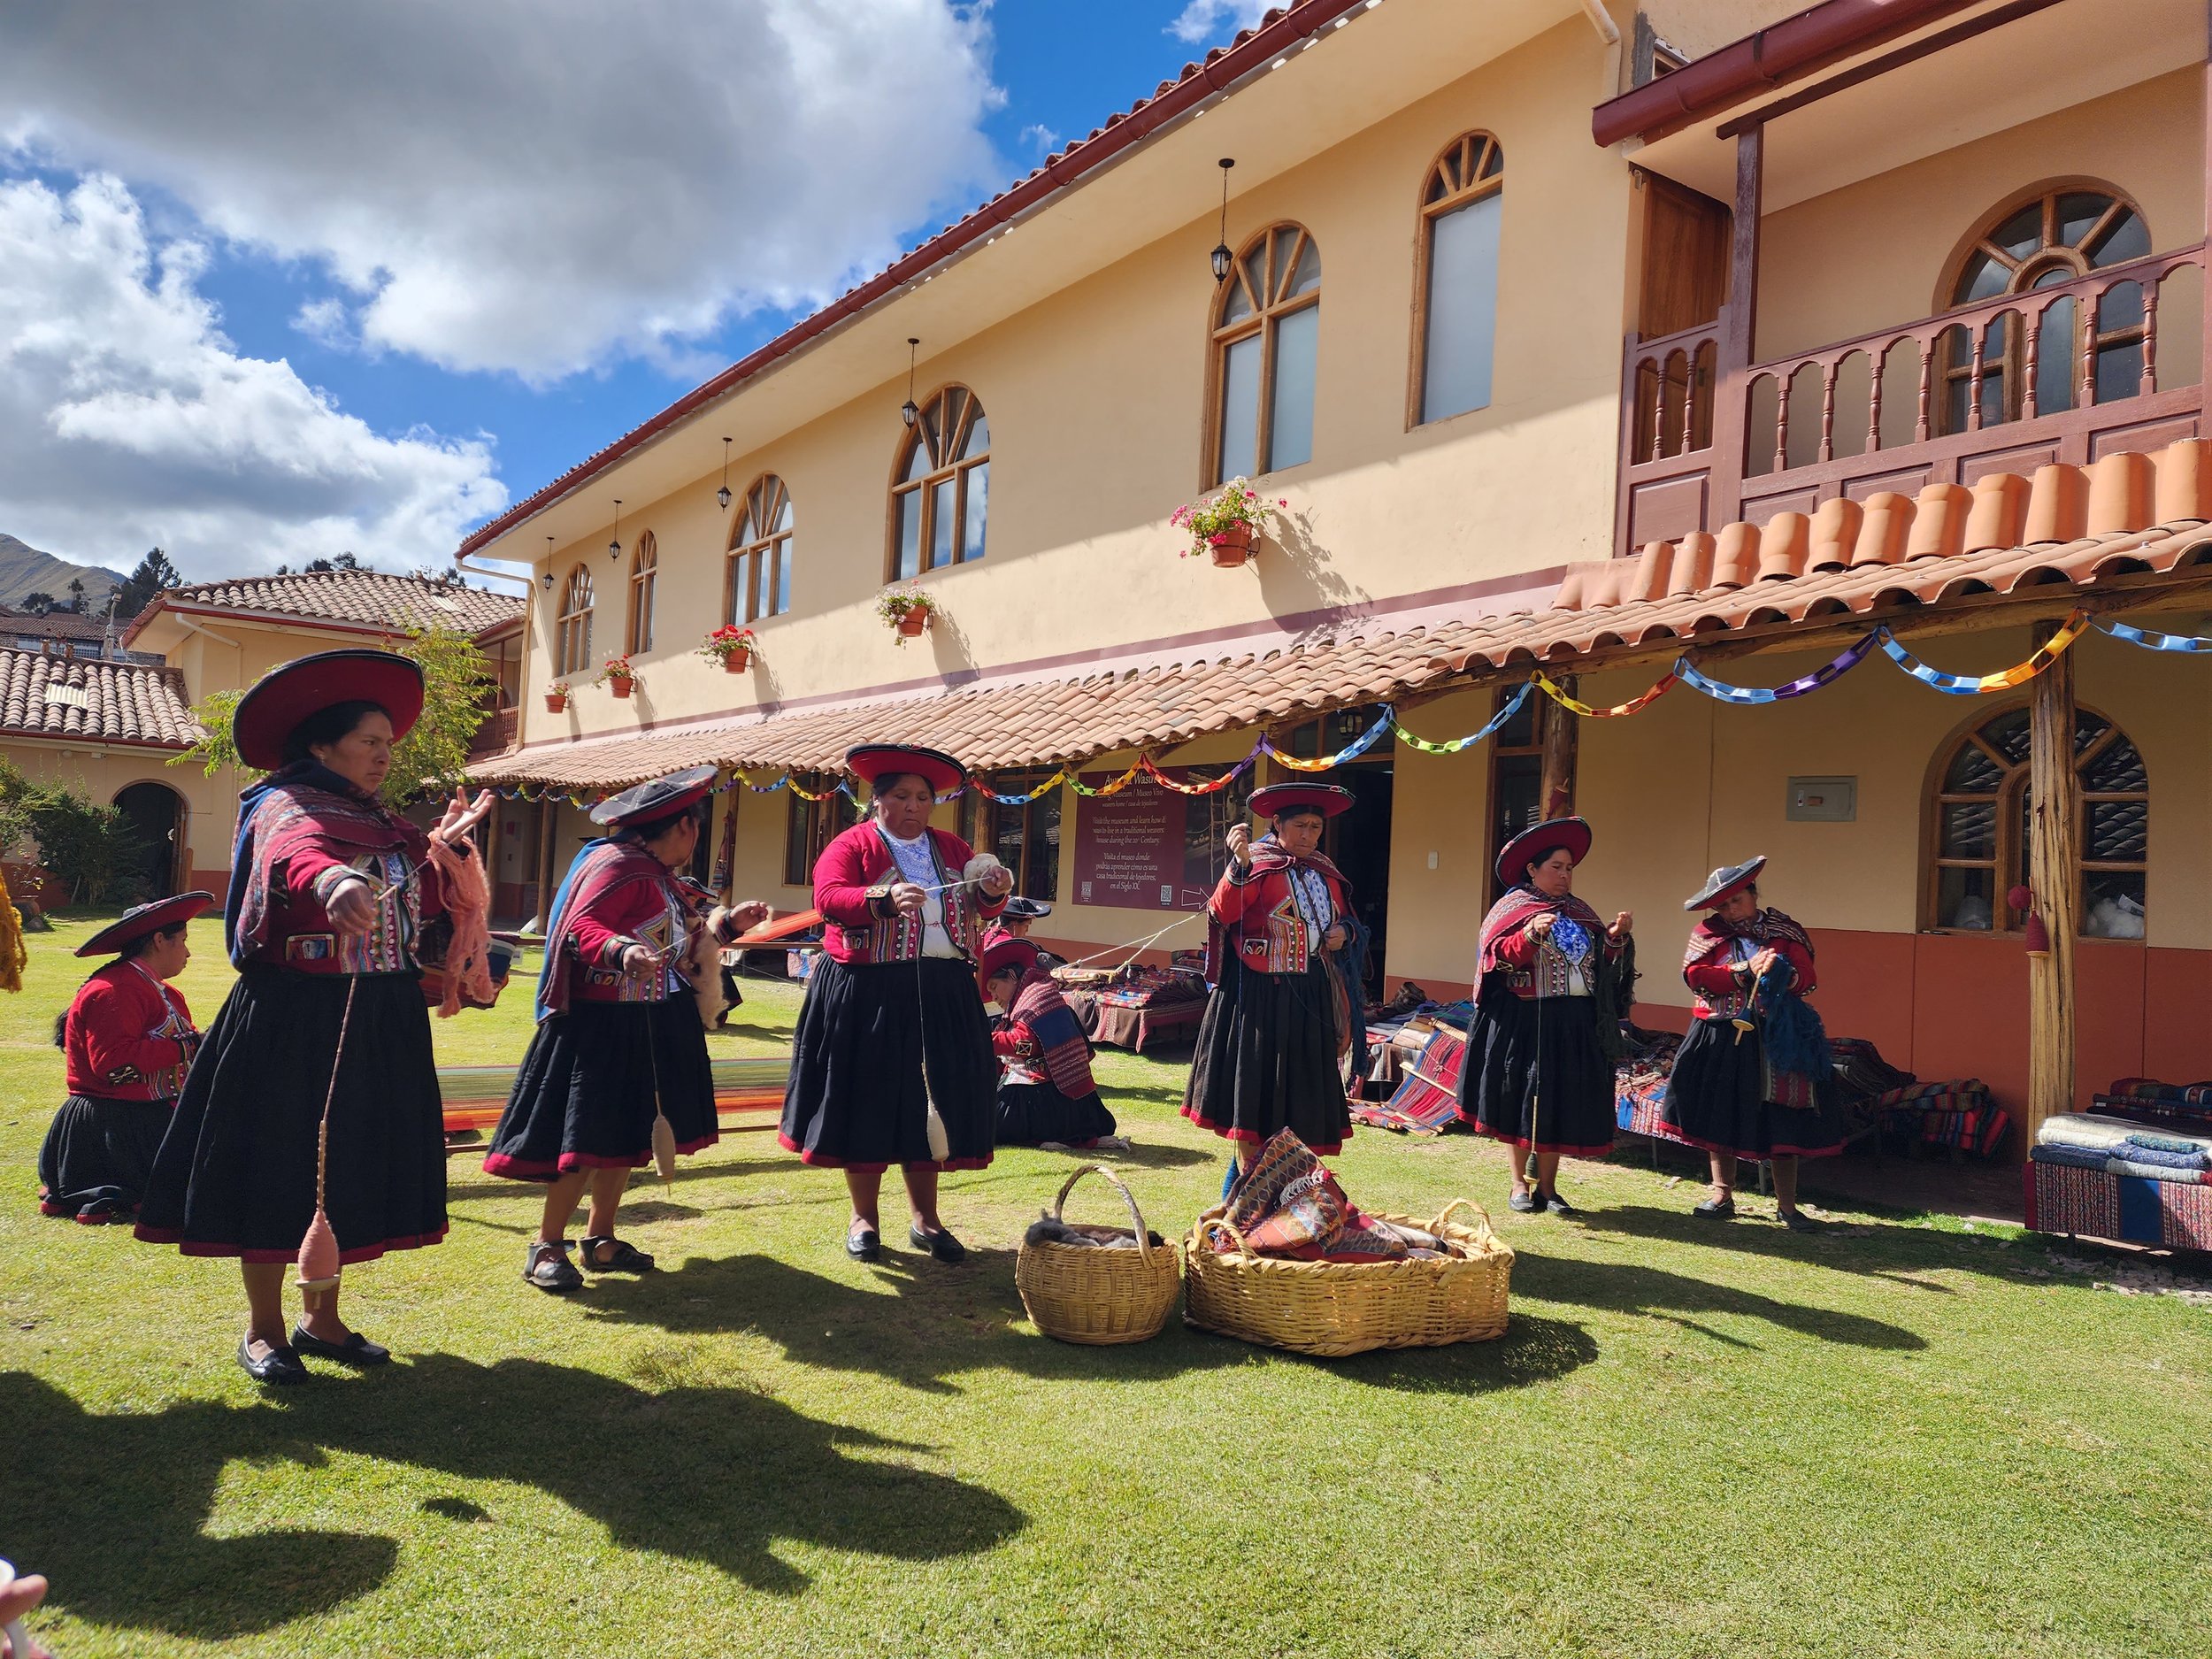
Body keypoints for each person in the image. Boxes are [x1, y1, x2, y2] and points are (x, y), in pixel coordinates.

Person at [136, 649, 495, 1385]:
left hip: (377, 1015)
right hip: (294, 1016)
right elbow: (302, 857)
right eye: (370, 742)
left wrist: (444, 851)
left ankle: (322, 1317)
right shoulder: (281, 806)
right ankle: (264, 1329)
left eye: (388, 745)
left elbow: (414, 902)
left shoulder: (386, 825)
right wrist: (332, 881)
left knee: (347, 1166)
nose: (383, 757)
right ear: (320, 746)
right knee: (276, 1165)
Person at [486, 767, 769, 1291]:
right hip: (602, 1027)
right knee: (585, 1139)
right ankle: (546, 1244)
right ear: (684, 826)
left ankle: (600, 1239)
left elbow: (679, 939)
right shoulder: (618, 867)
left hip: (653, 1021)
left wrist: (730, 927)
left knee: (626, 1134)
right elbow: (582, 928)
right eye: (695, 828)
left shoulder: (656, 875)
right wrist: (621, 950)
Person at [780, 744, 1013, 1262]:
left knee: (931, 1099)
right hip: (870, 991)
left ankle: (926, 1220)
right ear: (876, 800)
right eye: (902, 796)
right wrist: (879, 900)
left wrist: (993, 890)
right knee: (868, 1099)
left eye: (923, 797)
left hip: (942, 990)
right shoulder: (851, 845)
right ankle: (864, 1218)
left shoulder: (951, 848)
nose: (913, 806)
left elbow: (979, 901)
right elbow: (829, 897)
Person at [1460, 817, 1634, 1215]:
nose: (1564, 875)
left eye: (1569, 868)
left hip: (1575, 1021)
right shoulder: (1513, 909)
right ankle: (1519, 1185)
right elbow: (1498, 958)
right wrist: (1531, 935)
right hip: (1525, 1020)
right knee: (1521, 1097)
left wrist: (1614, 939)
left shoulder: (1579, 912)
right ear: (1532, 870)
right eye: (1556, 867)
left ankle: (1549, 1189)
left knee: (1560, 1099)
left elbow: (1598, 967)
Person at [1182, 782, 1359, 1169]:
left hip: (1311, 993)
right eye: (1300, 825)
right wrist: (1239, 866)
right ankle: (1250, 1183)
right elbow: (1224, 912)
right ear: (1277, 822)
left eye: (1315, 827)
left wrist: (1345, 932)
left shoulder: (1325, 871)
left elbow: (1350, 919)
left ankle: (1290, 1179)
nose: (1308, 835)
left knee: (1301, 1091)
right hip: (1259, 996)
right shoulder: (1256, 863)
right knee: (1256, 1095)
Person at [1662, 857, 1841, 1233]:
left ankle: (1787, 1206)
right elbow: (1696, 978)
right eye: (1723, 905)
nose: (1730, 910)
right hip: (1720, 1031)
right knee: (1720, 1109)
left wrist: (1777, 971)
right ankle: (1721, 1194)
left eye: (1737, 901)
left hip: (1778, 1036)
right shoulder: (1707, 933)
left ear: (1754, 895)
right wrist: (1741, 971)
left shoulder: (1784, 932)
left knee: (1783, 1116)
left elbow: (1806, 979)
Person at [37, 892, 213, 1224]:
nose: (188, 952)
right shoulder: (115, 990)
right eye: (183, 941)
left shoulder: (157, 989)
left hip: (142, 1115)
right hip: (113, 1125)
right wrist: (189, 1045)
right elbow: (113, 1067)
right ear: (160, 940)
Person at [982, 931, 1123, 1150]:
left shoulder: (1035, 997)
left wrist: (981, 1041)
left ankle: (1047, 1131)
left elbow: (1025, 1044)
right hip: (1065, 1093)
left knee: (988, 1126)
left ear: (1010, 975)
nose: (994, 997)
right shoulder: (1034, 993)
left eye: (994, 987)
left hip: (1050, 1094)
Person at [994, 895, 1066, 969]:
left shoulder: (989, 935)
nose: (1027, 930)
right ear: (1014, 925)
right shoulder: (1016, 948)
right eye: (1026, 925)